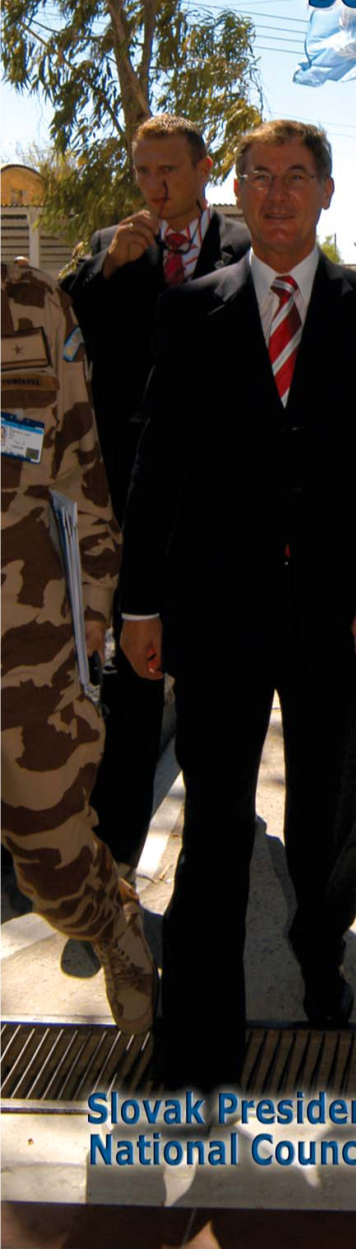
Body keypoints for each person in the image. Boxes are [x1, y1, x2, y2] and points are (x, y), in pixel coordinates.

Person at [117, 119, 356, 1090]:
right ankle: (197, 1044)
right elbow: (157, 469)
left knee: (325, 815)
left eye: (299, 177)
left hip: (342, 621)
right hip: (218, 617)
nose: (280, 193)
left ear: (329, 193)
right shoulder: (193, 313)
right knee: (215, 823)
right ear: (237, 194)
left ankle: (321, 950)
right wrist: (139, 603)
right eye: (261, 176)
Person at [61, 114, 251, 883]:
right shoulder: (109, 248)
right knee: (129, 694)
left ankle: (220, 849)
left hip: (215, 503)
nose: (155, 185)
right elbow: (66, 331)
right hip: (128, 498)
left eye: (169, 169)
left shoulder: (242, 249)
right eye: (143, 171)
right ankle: (114, 867)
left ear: (204, 168)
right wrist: (103, 274)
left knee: (215, 686)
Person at [1, 258, 156, 1036]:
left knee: (50, 861)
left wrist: (96, 604)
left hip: (25, 644)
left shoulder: (32, 303)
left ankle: (107, 915)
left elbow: (78, 468)